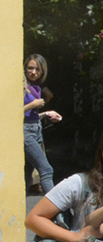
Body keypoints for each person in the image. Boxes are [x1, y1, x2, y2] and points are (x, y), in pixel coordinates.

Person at [23, 54, 60, 193]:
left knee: (27, 172)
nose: (33, 72)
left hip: (36, 130)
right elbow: (13, 114)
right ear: (24, 69)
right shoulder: (21, 88)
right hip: (26, 132)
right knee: (46, 170)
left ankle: (19, 210)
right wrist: (33, 104)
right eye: (30, 68)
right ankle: (54, 209)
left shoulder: (36, 87)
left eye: (37, 69)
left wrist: (46, 114)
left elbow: (31, 116)